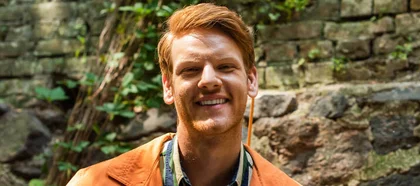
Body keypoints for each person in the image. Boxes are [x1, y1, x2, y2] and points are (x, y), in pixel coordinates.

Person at [67, 3, 299, 186]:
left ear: (251, 80)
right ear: (168, 87)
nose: (209, 80)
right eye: (191, 69)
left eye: (226, 67)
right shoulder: (95, 182)